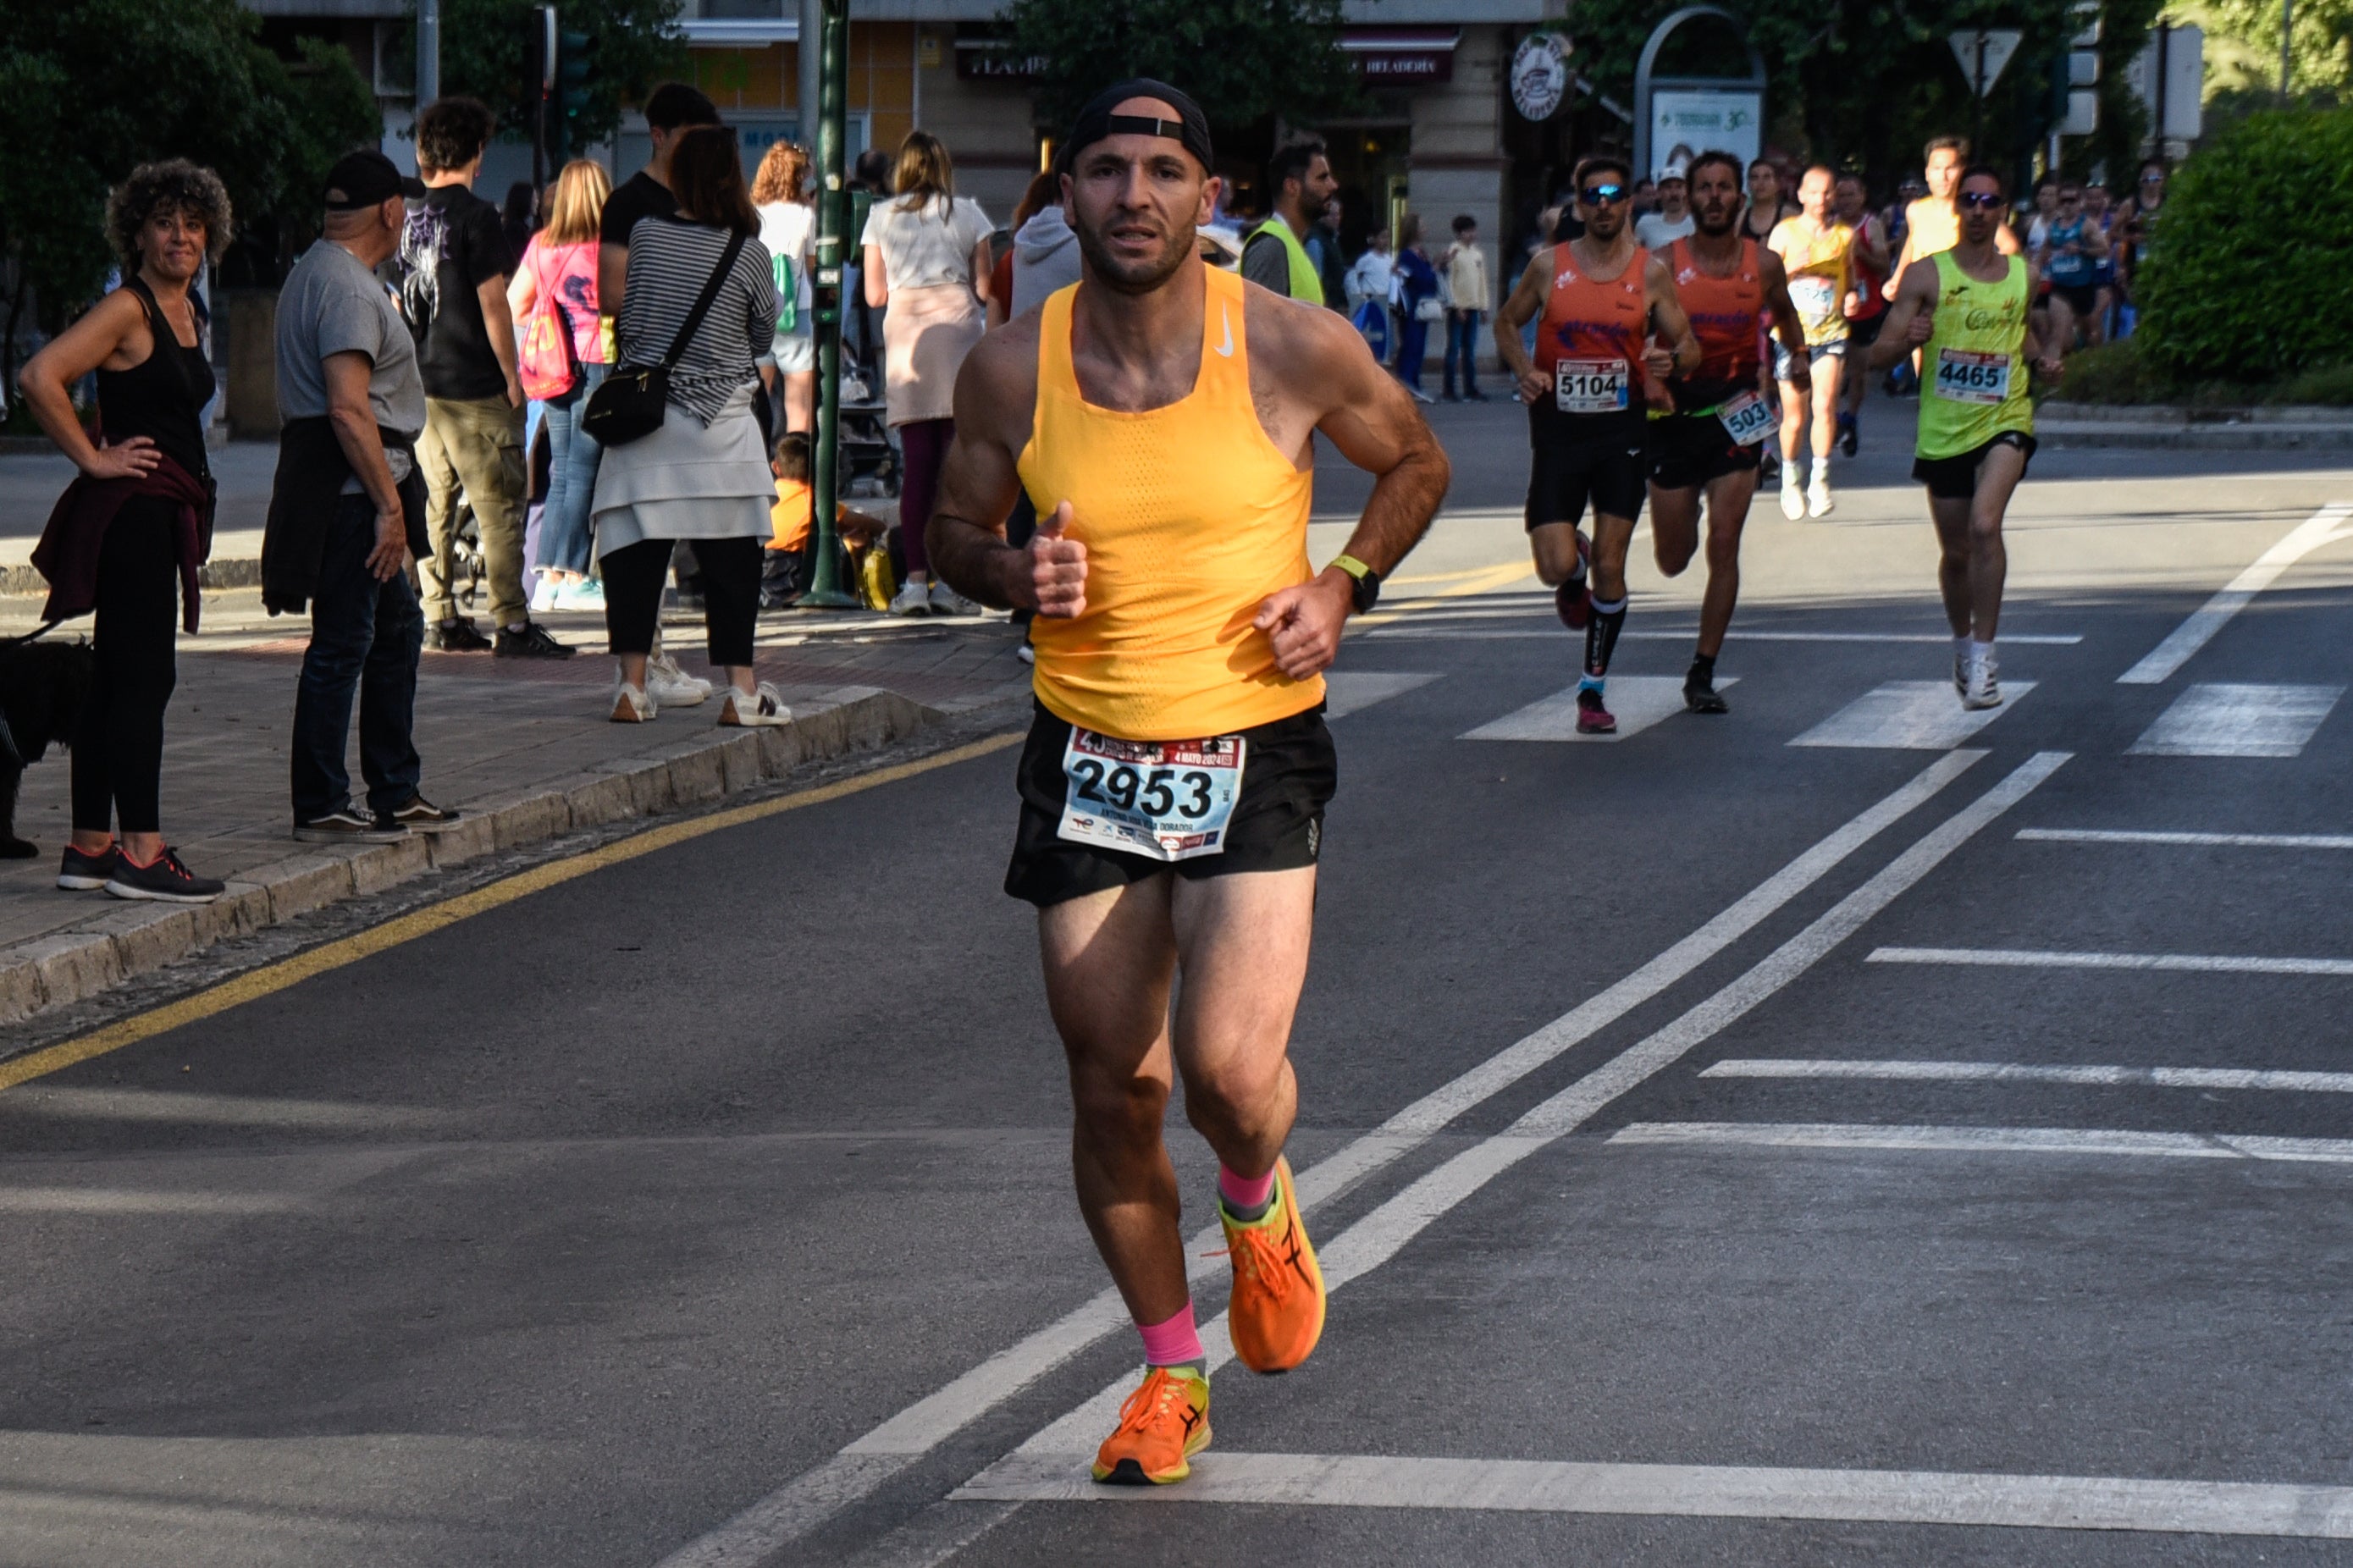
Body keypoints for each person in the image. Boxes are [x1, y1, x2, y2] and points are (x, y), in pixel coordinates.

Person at [925, 78, 1449, 1490]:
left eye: (1162, 169)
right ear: (1067, 193)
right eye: (1103, 168)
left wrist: (1342, 585)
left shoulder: (1283, 343)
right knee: (1112, 1087)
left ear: (1206, 196)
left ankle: (1255, 1194)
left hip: (1250, 741)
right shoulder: (1006, 366)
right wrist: (1010, 572)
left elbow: (1413, 457)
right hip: (1087, 750)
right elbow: (950, 529)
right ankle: (1169, 1371)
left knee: (1224, 1071)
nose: (1133, 193)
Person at [19, 160, 233, 900]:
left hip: (160, 512)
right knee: (145, 678)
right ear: (137, 233)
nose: (181, 237)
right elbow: (40, 376)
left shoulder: (188, 311)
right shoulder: (131, 310)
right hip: (133, 515)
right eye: (166, 223)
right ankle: (143, 855)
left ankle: (89, 846)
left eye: (194, 224)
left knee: (113, 679)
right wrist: (93, 458)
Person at [264, 149, 461, 844]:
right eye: (402, 205)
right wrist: (386, 506)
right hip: (355, 492)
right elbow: (349, 410)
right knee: (346, 643)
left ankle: (394, 788)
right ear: (389, 212)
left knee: (396, 634)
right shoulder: (347, 288)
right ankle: (322, 798)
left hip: (355, 485)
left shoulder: (317, 273)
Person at [589, 125, 790, 729]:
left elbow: (628, 311)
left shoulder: (646, 234)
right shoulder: (748, 251)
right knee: (732, 563)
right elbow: (762, 335)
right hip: (721, 426)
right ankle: (742, 693)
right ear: (731, 175)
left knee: (634, 558)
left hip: (646, 423)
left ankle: (631, 686)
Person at [1493, 155, 1700, 735]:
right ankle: (1573, 558)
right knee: (1553, 566)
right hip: (1558, 430)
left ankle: (1592, 689)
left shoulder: (1649, 273)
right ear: (1579, 206)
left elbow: (1689, 349)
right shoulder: (1545, 267)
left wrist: (1668, 360)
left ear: (1628, 203)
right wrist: (1522, 371)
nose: (1603, 204)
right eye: (1592, 195)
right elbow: (1507, 324)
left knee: (1614, 563)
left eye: (1613, 194)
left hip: (1621, 431)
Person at [1869, 164, 2060, 712]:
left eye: (1989, 201)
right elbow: (1878, 354)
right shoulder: (1925, 275)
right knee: (1954, 552)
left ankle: (1984, 657)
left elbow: (2018, 331)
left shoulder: (2022, 274)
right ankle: (1960, 642)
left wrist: (2041, 361)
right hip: (1943, 426)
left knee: (1983, 524)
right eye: (1969, 200)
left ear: (2002, 211)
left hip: (2005, 416)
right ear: (1957, 209)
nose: (1978, 210)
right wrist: (1906, 336)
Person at [400, 97, 570, 660]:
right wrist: (512, 377)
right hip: (476, 388)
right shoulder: (478, 218)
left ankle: (439, 615)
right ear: (477, 152)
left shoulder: (409, 220)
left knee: (436, 510)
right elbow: (495, 305)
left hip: (424, 386)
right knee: (500, 511)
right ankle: (512, 623)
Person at [1645, 151, 1809, 716]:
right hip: (1673, 418)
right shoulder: (1662, 263)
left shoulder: (1762, 265)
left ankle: (1702, 670)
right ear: (1688, 199)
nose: (1714, 197)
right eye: (1704, 188)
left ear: (1739, 197)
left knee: (1725, 541)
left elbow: (1785, 316)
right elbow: (1636, 334)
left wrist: (1800, 354)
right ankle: (1681, 513)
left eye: (1723, 187)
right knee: (1672, 558)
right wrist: (1650, 372)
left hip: (1736, 413)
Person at [861, 129, 993, 616]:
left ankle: (915, 584)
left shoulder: (880, 218)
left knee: (916, 466)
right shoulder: (970, 214)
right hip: (958, 335)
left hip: (909, 341)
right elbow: (984, 288)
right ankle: (956, 588)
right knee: (954, 469)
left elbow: (875, 295)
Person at [509, 157, 612, 616]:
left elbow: (515, 305)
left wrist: (552, 316)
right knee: (586, 470)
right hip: (597, 363)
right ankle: (574, 575)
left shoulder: (541, 245)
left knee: (562, 470)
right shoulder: (607, 247)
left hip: (553, 365)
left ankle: (548, 576)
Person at [1767, 166, 1854, 520]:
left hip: (1831, 332)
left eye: (1828, 192)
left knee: (1826, 405)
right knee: (1794, 418)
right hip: (1791, 336)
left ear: (1834, 195)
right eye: (1814, 192)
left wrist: (1851, 297)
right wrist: (1790, 269)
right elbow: (1762, 284)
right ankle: (1790, 478)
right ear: (1800, 195)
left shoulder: (1845, 236)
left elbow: (1851, 281)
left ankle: (1819, 480)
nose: (1821, 199)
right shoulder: (1784, 233)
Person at [750, 140, 818, 436]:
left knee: (756, 396)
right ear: (798, 177)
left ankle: (757, 466)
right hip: (797, 312)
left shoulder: (752, 212)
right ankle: (796, 473)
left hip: (757, 311)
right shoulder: (804, 215)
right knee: (799, 402)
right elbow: (813, 264)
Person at [1833, 172, 1890, 455]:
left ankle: (1851, 417)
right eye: (1840, 195)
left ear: (1862, 197)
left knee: (1858, 370)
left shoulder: (1872, 226)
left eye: (1851, 195)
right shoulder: (1828, 225)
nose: (1845, 201)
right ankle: (1830, 418)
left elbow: (1883, 267)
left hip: (1865, 309)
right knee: (1829, 370)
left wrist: (1858, 249)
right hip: (1831, 309)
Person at [1242, 138, 1336, 303]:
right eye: (1322, 178)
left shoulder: (1290, 245)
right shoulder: (1271, 246)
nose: (1333, 185)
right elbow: (1257, 325)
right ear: (1292, 186)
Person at [2038, 180, 2109, 356]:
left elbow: (2105, 250)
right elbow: (2045, 249)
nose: (2068, 205)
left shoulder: (2087, 225)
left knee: (2091, 330)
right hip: (2061, 287)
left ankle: (2097, 360)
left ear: (2080, 202)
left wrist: (2081, 250)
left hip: (2084, 287)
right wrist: (2039, 266)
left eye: (2072, 200)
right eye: (2064, 201)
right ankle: (2051, 376)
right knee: (2057, 335)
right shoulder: (2053, 227)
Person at [1439, 213, 1491, 401]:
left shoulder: (1477, 254)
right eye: (1468, 231)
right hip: (1458, 309)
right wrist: (1455, 306)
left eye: (1473, 230)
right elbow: (1450, 281)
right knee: (1453, 349)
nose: (1472, 234)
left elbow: (1482, 282)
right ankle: (1449, 389)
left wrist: (1484, 306)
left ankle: (1471, 388)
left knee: (1469, 350)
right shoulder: (1454, 252)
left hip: (1474, 307)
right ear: (1459, 233)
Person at [1391, 214, 1439, 402]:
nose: (1425, 229)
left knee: (1419, 346)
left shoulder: (1420, 252)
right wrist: (1433, 268)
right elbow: (1419, 278)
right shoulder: (1406, 256)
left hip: (1421, 305)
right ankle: (1406, 382)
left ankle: (1415, 383)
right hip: (1411, 306)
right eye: (1422, 226)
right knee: (1411, 344)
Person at [1635, 162, 1696, 248]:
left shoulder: (1697, 224)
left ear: (1686, 191)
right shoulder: (1645, 223)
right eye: (1668, 187)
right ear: (1659, 192)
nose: (1674, 193)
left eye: (1679, 187)